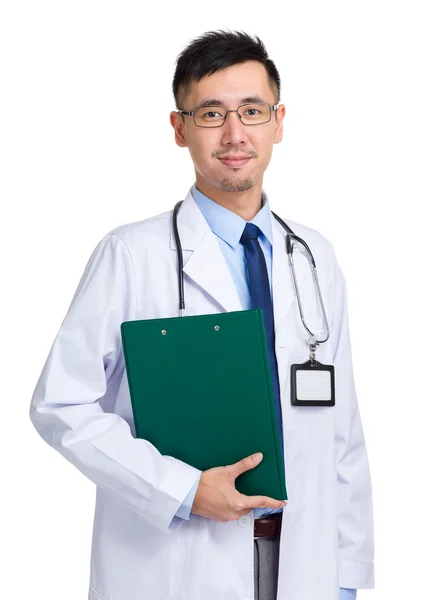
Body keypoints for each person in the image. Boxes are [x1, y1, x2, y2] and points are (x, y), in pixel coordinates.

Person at [30, 29, 375, 600]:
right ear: (179, 128)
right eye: (212, 113)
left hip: (302, 563)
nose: (235, 133)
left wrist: (346, 579)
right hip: (181, 564)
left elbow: (342, 432)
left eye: (252, 110)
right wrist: (183, 490)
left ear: (279, 121)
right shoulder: (131, 254)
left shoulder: (313, 257)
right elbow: (60, 404)